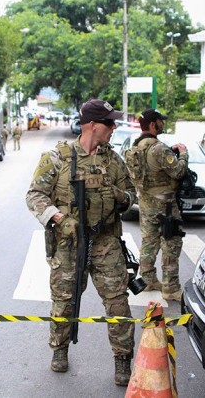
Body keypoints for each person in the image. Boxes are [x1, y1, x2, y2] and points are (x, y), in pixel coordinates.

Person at [26, 99, 136, 385]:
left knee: (117, 303)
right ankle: (59, 350)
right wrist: (60, 218)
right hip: (69, 243)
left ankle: (123, 360)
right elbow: (35, 196)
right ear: (91, 125)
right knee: (63, 302)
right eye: (109, 123)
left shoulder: (113, 160)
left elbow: (131, 196)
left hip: (105, 241)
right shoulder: (57, 158)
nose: (114, 128)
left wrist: (119, 196)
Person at [124, 109, 188, 302]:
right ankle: (170, 287)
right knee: (171, 243)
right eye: (160, 121)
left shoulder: (136, 148)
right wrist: (183, 155)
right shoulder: (159, 148)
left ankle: (148, 279)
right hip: (165, 205)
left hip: (145, 203)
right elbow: (177, 172)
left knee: (149, 242)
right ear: (152, 125)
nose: (162, 124)